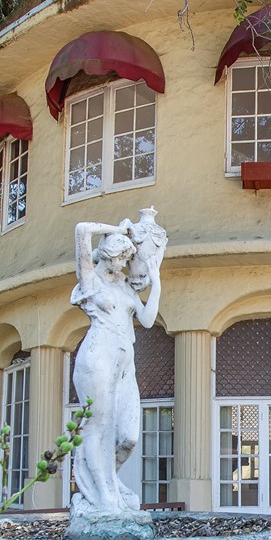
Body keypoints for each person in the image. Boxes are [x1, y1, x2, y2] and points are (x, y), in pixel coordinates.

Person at [70, 219, 163, 515]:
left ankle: (110, 482)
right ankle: (104, 494)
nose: (124, 265)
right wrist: (119, 230)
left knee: (127, 436)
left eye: (126, 259)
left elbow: (147, 320)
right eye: (121, 258)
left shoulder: (124, 285)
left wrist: (157, 282)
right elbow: (82, 230)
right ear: (108, 254)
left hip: (125, 363)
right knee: (101, 426)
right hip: (98, 357)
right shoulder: (90, 280)